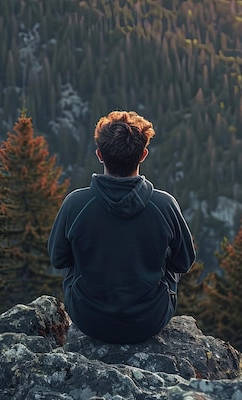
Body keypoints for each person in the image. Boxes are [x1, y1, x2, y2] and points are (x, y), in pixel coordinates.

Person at [48, 110, 196, 344]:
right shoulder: (164, 205)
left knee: (72, 259)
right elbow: (184, 262)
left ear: (99, 155)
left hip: (89, 320)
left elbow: (58, 259)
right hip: (148, 321)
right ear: (143, 155)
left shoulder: (75, 203)